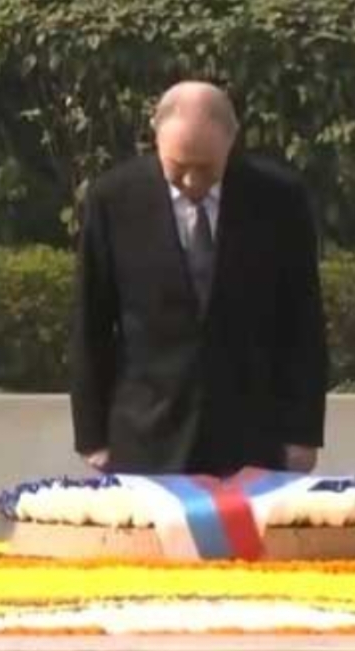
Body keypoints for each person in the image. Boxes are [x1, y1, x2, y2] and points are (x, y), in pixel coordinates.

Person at [70, 81, 328, 477]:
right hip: (146, 434)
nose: (192, 181)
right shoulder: (113, 200)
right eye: (178, 167)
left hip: (253, 434)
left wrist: (303, 433)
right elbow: (91, 320)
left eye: (206, 168)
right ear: (156, 138)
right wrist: (92, 436)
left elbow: (304, 320)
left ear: (231, 141)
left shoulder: (280, 200)